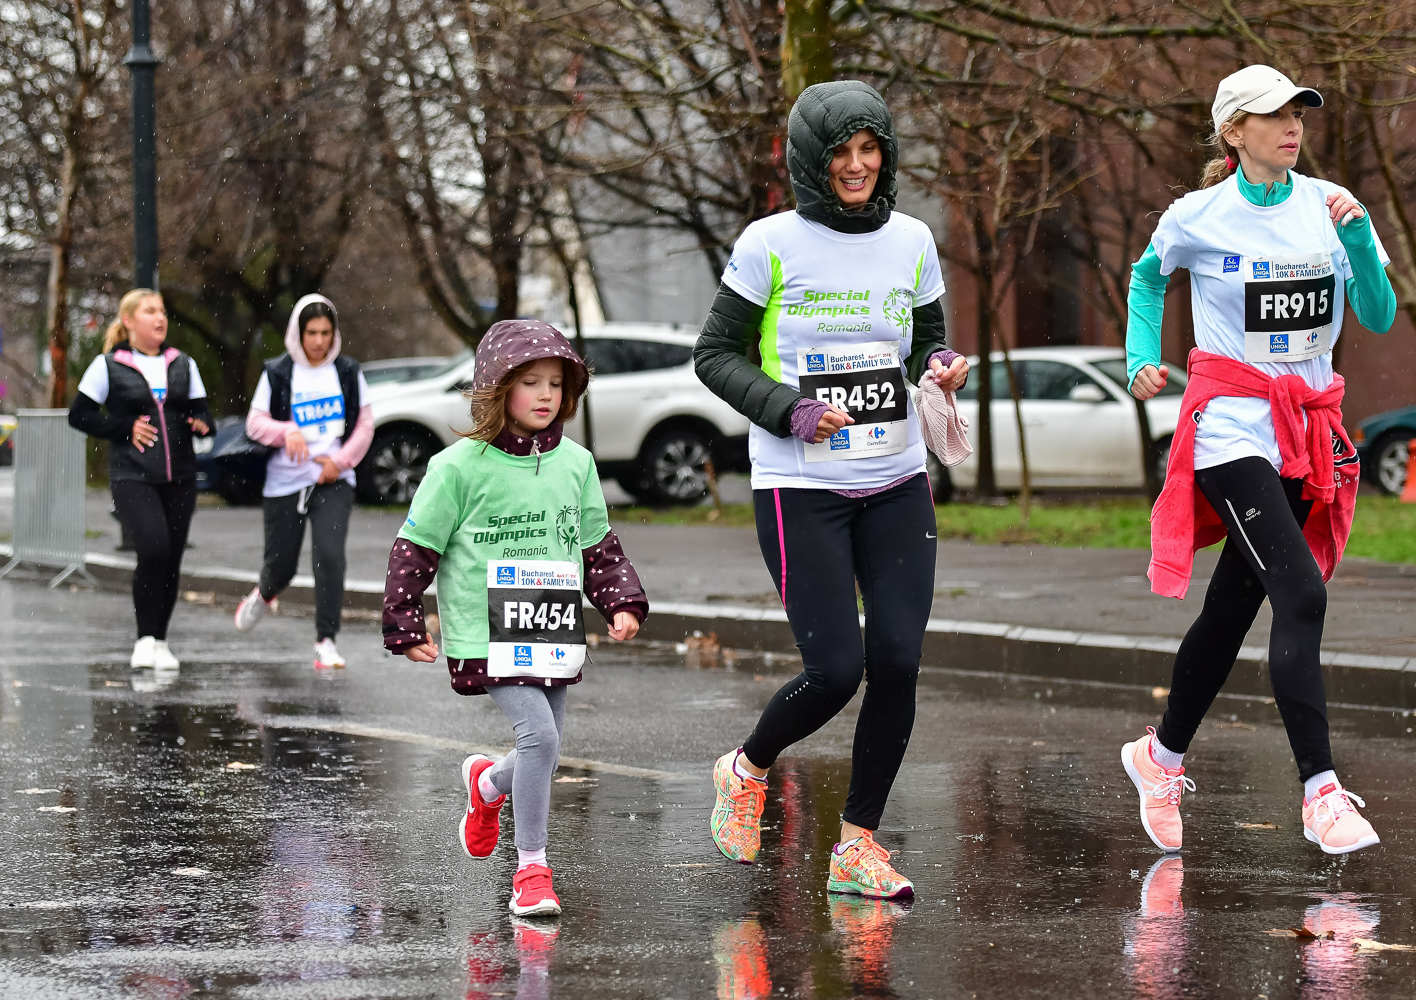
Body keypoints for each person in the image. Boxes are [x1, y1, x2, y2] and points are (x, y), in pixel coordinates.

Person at [693, 80, 967, 899]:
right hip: (799, 485)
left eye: (869, 149)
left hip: (896, 479)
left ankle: (858, 846)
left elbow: (926, 342)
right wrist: (792, 410)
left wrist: (940, 367)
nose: (856, 165)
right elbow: (715, 355)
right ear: (812, 158)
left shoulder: (913, 239)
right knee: (837, 669)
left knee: (898, 660)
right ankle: (746, 767)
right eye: (841, 151)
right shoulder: (769, 243)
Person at [1120, 65, 1396, 856]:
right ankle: (1320, 793)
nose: (1292, 125)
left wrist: (1356, 241)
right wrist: (1140, 355)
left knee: (1232, 610)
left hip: (1304, 433)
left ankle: (1160, 757)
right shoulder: (1198, 215)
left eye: (1299, 112)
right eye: (1274, 115)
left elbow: (1378, 315)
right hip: (1231, 430)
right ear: (1233, 132)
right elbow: (1146, 278)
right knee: (1300, 592)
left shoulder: (1333, 206)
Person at [381, 319, 648, 917]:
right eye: (530, 382)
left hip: (551, 627)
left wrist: (622, 601)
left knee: (543, 752)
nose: (546, 394)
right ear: (498, 389)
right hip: (485, 631)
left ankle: (486, 786)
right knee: (540, 738)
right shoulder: (457, 466)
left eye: (556, 383)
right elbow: (416, 547)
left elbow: (597, 545)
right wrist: (404, 619)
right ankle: (531, 869)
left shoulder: (576, 463)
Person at [68, 289, 215, 669]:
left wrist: (201, 424)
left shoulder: (183, 363)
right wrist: (124, 426)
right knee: (153, 549)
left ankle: (161, 642)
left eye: (162, 311)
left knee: (172, 558)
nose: (160, 317)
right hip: (133, 474)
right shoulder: (108, 365)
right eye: (150, 311)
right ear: (129, 321)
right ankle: (144, 639)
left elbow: (203, 414)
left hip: (180, 476)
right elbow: (79, 415)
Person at [233, 294, 373, 668]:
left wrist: (340, 462)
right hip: (285, 482)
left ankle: (326, 640)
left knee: (330, 556)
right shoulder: (278, 371)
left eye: (326, 332)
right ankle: (265, 594)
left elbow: (365, 425)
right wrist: (287, 431)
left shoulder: (347, 371)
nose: (319, 341)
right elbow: (254, 424)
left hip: (333, 479)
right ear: (298, 333)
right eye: (312, 332)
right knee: (281, 568)